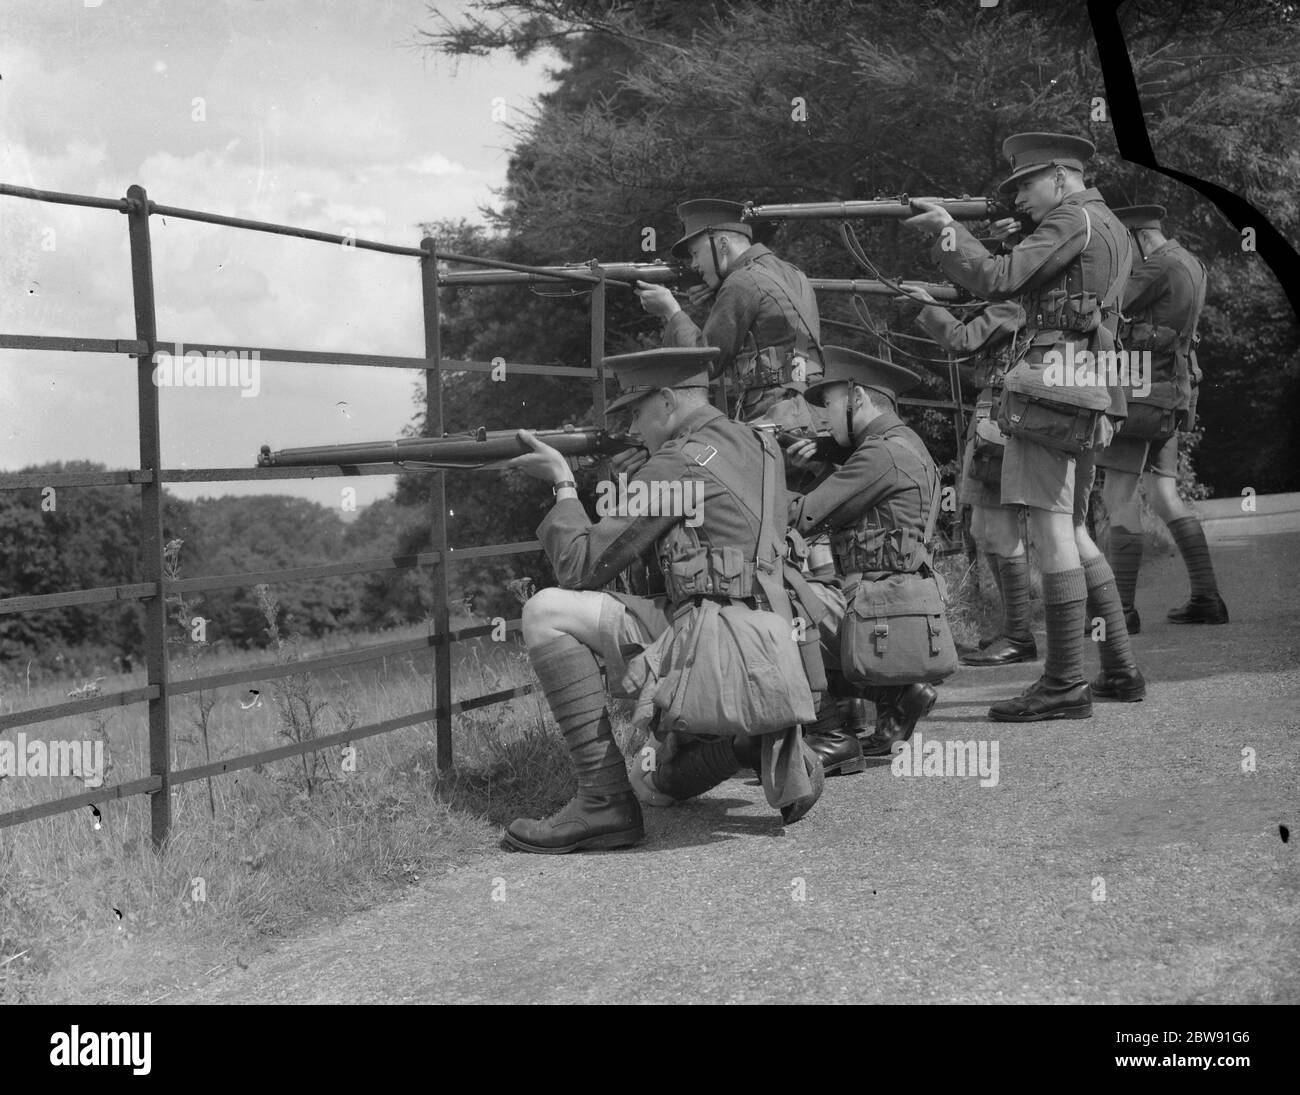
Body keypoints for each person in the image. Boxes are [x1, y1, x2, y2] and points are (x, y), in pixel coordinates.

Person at [501, 347, 822, 854]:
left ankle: (603, 804)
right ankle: (743, 743)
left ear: (668, 401)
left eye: (635, 412)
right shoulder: (758, 445)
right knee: (650, 783)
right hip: (778, 642)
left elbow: (582, 565)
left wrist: (564, 484)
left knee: (544, 610)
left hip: (721, 645)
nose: (632, 427)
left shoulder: (679, 462)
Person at [905, 131, 1145, 720]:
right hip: (1088, 384)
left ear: (1063, 177)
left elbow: (998, 276)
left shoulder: (1071, 219)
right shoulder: (1109, 224)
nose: (1020, 200)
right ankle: (1120, 668)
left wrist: (944, 231)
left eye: (1028, 185)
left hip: (1054, 389)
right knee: (1075, 529)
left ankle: (1064, 683)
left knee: (1052, 531)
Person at [637, 197, 869, 768]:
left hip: (770, 426)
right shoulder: (786, 273)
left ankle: (830, 725)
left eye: (696, 252)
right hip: (801, 421)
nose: (693, 265)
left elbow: (702, 365)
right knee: (805, 566)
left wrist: (670, 309)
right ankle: (861, 700)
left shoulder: (740, 287)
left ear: (721, 242)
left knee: (776, 575)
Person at [783, 348, 949, 761]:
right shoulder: (905, 442)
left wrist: (754, 489)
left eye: (829, 404)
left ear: (857, 398)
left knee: (783, 607)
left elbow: (804, 516)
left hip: (882, 614)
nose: (823, 417)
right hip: (903, 607)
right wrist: (825, 449)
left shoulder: (879, 456)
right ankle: (897, 695)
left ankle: (833, 735)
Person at [1097, 204, 1227, 650]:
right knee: (1166, 497)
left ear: (1138, 237)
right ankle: (1207, 598)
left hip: (1139, 398)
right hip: (1172, 394)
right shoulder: (1193, 263)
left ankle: (1123, 611)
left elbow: (1108, 304)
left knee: (1118, 495)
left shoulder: (1158, 267)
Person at [910, 290, 1038, 667]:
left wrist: (926, 304)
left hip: (1000, 420)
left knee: (999, 530)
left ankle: (1019, 635)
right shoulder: (1005, 304)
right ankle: (1010, 628)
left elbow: (961, 338)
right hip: (990, 417)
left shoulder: (1013, 303)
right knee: (984, 529)